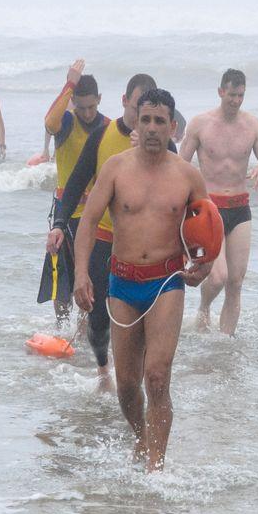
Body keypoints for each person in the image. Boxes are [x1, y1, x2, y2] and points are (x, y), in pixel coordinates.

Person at [72, 89, 212, 471]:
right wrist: (82, 273)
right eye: (145, 119)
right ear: (136, 120)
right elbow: (87, 222)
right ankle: (141, 435)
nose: (151, 128)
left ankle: (156, 466)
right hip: (122, 282)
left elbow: (207, 232)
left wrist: (203, 267)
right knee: (128, 384)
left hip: (166, 282)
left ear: (173, 126)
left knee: (156, 376)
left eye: (159, 121)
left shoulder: (188, 176)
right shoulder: (116, 168)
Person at [46, 73, 163, 390]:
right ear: (125, 101)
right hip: (104, 239)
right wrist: (59, 225)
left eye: (151, 109)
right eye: (139, 106)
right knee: (97, 317)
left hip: (143, 246)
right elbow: (74, 186)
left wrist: (155, 153)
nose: (145, 116)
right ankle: (103, 374)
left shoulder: (161, 143)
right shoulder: (102, 135)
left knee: (138, 315)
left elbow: (178, 186)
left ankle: (136, 375)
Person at [179, 69, 258, 335]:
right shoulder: (200, 124)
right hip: (208, 209)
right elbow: (179, 165)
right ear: (221, 91)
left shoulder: (253, 126)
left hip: (240, 208)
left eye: (241, 95)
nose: (236, 100)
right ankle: (204, 306)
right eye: (232, 94)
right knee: (218, 276)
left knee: (235, 281)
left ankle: (226, 343)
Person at [39, 59, 109, 323]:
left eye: (92, 106)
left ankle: (83, 333)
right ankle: (62, 328)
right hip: (65, 213)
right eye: (82, 107)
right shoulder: (66, 123)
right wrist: (69, 83)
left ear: (99, 99)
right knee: (62, 280)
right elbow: (49, 121)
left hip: (96, 215)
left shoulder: (107, 127)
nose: (88, 113)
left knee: (90, 276)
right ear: (74, 104)